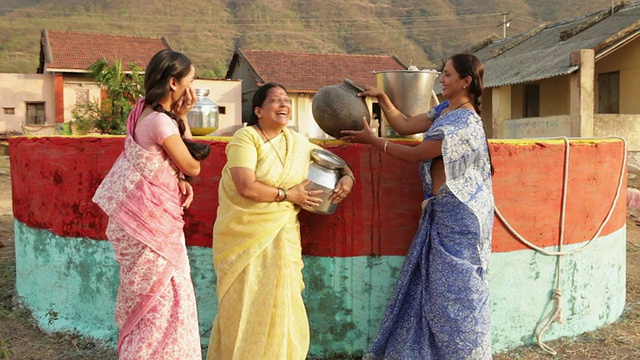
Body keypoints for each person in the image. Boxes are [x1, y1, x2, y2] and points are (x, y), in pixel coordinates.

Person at [342, 53, 494, 359]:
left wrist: (372, 142)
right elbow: (407, 123)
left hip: (462, 217)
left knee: (458, 291)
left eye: (448, 75)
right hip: (442, 211)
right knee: (434, 288)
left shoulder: (464, 123)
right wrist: (384, 98)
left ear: (465, 81)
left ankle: (467, 352)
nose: (442, 78)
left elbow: (418, 153)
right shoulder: (445, 110)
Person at [207, 82, 356, 359]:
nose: (284, 105)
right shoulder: (246, 138)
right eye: (276, 100)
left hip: (283, 236)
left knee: (283, 304)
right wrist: (290, 194)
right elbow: (245, 186)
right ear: (259, 110)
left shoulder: (297, 142)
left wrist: (348, 176)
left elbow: (335, 161)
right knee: (242, 305)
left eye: (287, 100)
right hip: (242, 237)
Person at [93, 49, 208, 359]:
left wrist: (177, 177)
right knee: (163, 303)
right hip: (150, 229)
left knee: (156, 300)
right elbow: (193, 164)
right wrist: (184, 117)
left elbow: (162, 164)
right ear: (174, 83)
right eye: (190, 81)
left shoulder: (141, 111)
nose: (192, 89)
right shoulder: (160, 122)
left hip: (141, 222)